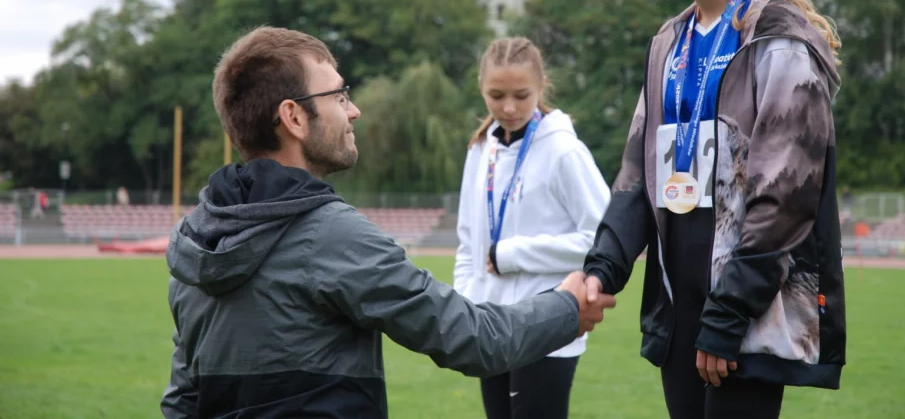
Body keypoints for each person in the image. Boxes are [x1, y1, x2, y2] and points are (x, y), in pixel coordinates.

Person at [160, 26, 616, 419]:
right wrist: (567, 308)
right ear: (293, 117)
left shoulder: (200, 237)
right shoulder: (334, 237)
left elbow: (183, 400)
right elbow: (473, 338)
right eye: (338, 96)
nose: (353, 110)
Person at [583, 0, 847, 419]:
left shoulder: (777, 39)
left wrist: (729, 315)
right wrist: (602, 267)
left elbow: (786, 199)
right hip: (680, 308)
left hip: (747, 313)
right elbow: (638, 173)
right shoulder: (668, 43)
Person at [453, 37, 610, 419]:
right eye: (496, 95)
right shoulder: (480, 150)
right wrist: (465, 306)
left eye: (521, 95)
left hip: (548, 326)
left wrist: (513, 254)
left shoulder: (564, 151)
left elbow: (604, 239)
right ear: (481, 88)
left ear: (542, 86)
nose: (508, 107)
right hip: (490, 326)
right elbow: (468, 241)